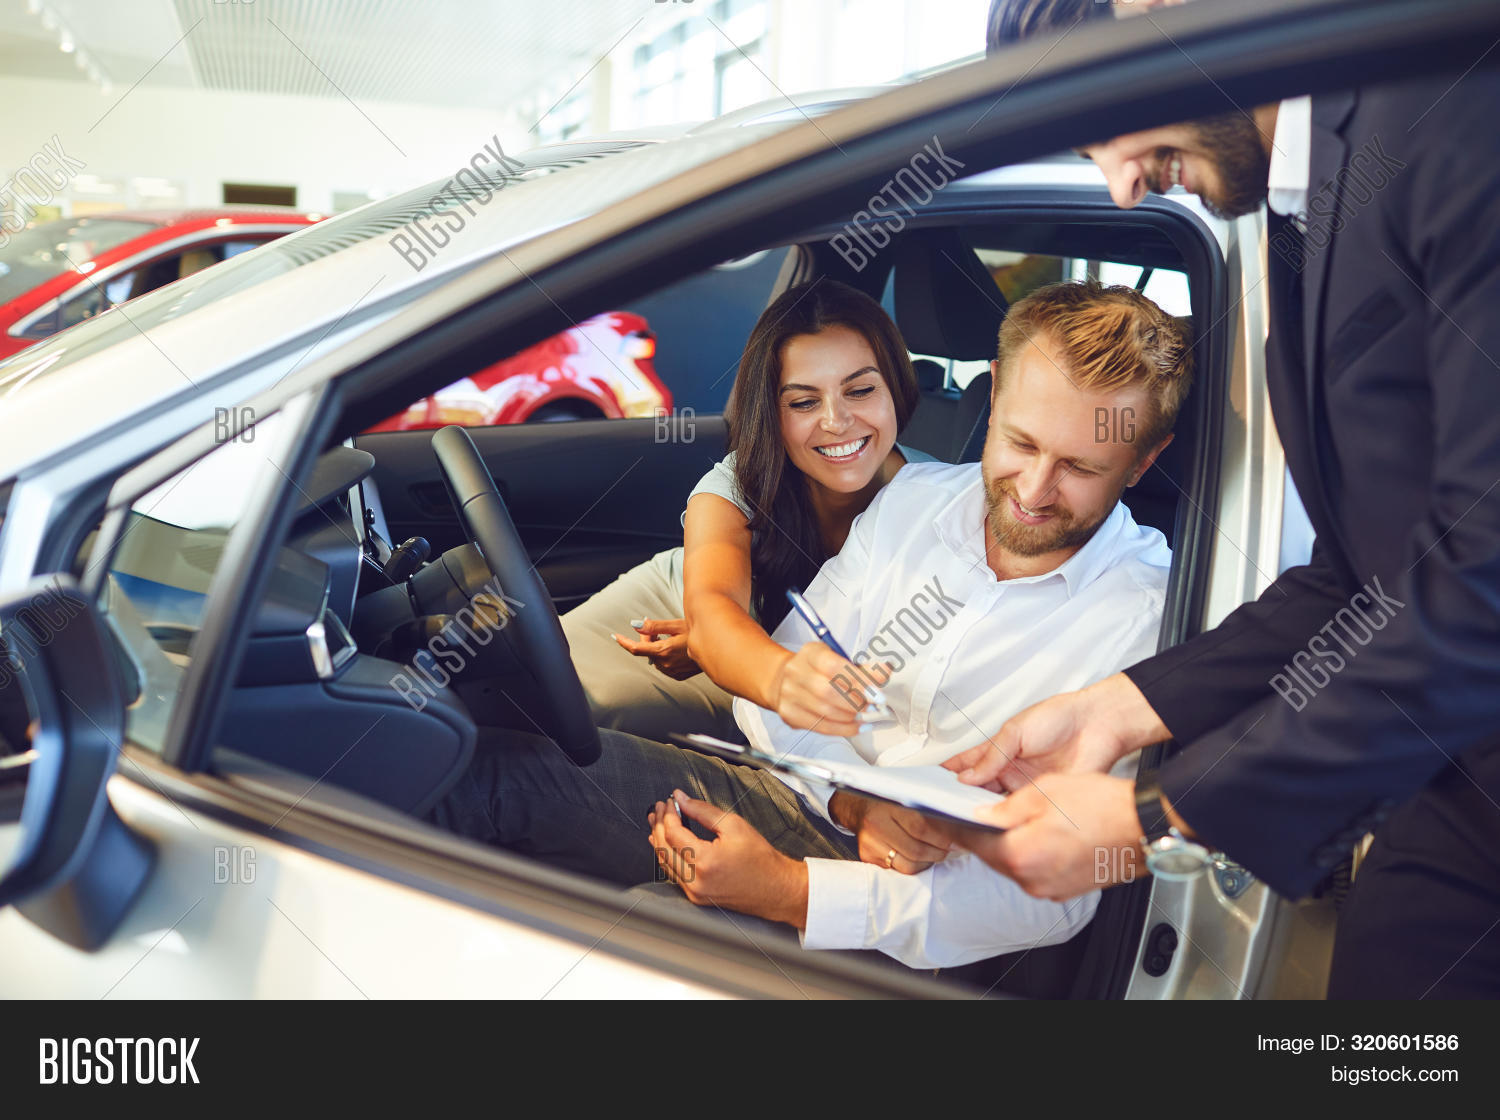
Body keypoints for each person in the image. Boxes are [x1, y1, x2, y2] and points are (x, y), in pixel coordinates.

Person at [951, 17, 1500, 997]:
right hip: (1455, 784)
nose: (1121, 184)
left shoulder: (1453, 104)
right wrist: (1113, 709)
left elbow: (1485, 576)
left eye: (1098, 123)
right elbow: (1356, 573)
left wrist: (1150, 818)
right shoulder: (1298, 203)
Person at [428, 280, 1192, 969]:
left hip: (924, 918)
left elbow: (1054, 897)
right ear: (992, 404)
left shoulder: (1152, 620)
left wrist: (792, 891)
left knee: (633, 943)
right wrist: (859, 806)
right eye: (1020, 443)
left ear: (1144, 459)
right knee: (492, 774)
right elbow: (776, 694)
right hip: (805, 800)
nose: (1032, 489)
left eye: (1079, 468)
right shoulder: (916, 500)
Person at [558, 279, 934, 743]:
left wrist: (752, 662)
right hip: (677, 602)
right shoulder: (740, 480)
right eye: (803, 402)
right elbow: (712, 607)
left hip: (775, 668)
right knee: (535, 686)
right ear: (771, 413)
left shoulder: (936, 503)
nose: (836, 422)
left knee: (591, 729)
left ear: (895, 388)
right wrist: (715, 640)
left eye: (859, 391)